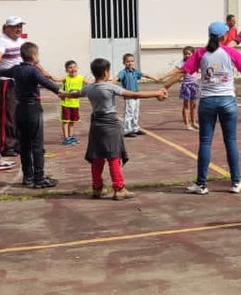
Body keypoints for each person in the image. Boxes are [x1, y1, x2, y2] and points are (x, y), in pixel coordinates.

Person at [161, 22, 241, 195]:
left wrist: (164, 87)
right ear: (225, 36)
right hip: (228, 102)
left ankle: (201, 184)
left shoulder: (200, 53)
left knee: (205, 142)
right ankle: (236, 182)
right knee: (230, 141)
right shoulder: (230, 52)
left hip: (207, 102)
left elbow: (182, 72)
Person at [61, 58, 168, 200]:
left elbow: (75, 94)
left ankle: (97, 188)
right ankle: (119, 188)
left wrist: (64, 94)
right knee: (113, 156)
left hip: (96, 124)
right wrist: (156, 93)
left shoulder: (89, 88)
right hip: (110, 124)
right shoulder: (110, 87)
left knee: (97, 157)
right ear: (106, 72)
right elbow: (134, 94)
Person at [0, 42, 60, 189]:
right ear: (34, 56)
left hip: (20, 110)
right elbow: (49, 85)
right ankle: (39, 178)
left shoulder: (16, 69)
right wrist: (64, 93)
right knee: (37, 145)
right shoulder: (34, 71)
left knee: (25, 145)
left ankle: (27, 177)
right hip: (33, 110)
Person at [0, 16, 52, 157]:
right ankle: (7, 146)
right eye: (15, 26)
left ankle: (19, 144)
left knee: (20, 114)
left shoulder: (22, 41)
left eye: (20, 26)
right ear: (6, 28)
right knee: (9, 115)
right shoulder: (2, 41)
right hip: (8, 81)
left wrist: (45, 72)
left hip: (21, 82)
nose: (18, 29)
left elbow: (32, 60)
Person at [117, 53, 160, 137]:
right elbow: (117, 78)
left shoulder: (135, 71)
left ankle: (135, 128)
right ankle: (127, 130)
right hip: (129, 96)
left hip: (137, 95)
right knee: (129, 113)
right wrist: (109, 84)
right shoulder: (123, 72)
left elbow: (144, 75)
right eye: (128, 61)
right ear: (124, 62)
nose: (130, 63)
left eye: (132, 61)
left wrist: (155, 78)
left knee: (135, 112)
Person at [59, 60, 84, 146]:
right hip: (66, 104)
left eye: (74, 67)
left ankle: (71, 136)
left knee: (72, 122)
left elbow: (92, 83)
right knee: (65, 121)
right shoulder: (65, 78)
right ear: (66, 70)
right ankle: (66, 138)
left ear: (77, 68)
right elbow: (55, 79)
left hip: (75, 104)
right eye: (70, 67)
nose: (72, 69)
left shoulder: (81, 78)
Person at [176, 46, 200, 131]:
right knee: (186, 105)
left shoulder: (196, 62)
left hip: (195, 85)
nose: (187, 55)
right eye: (185, 54)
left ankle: (193, 122)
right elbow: (176, 72)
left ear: (193, 54)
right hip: (186, 86)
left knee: (194, 105)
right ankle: (187, 124)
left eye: (189, 53)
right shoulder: (182, 63)